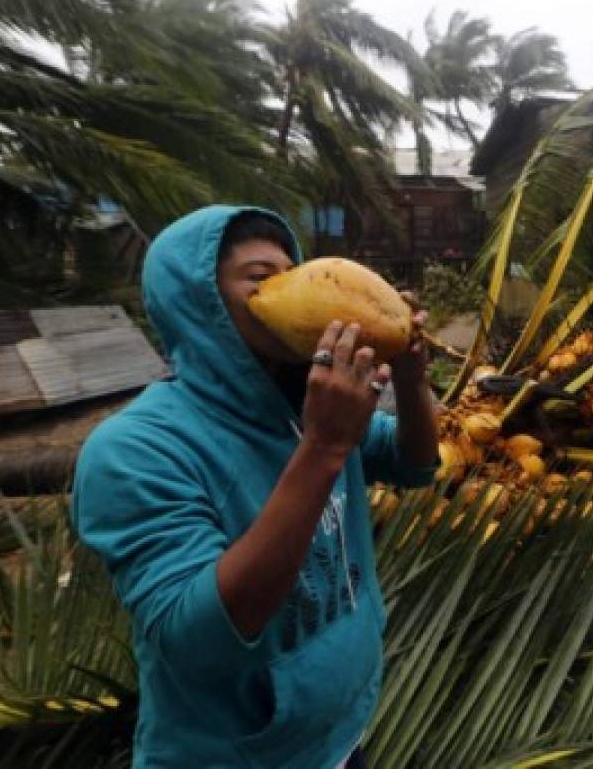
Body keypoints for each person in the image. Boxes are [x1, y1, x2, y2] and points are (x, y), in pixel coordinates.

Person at [72, 205, 440, 768]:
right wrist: (321, 449)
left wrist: (413, 381)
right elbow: (202, 640)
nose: (295, 284)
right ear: (201, 306)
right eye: (261, 276)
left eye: (294, 268)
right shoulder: (134, 449)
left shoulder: (305, 405)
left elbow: (415, 464)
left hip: (339, 738)